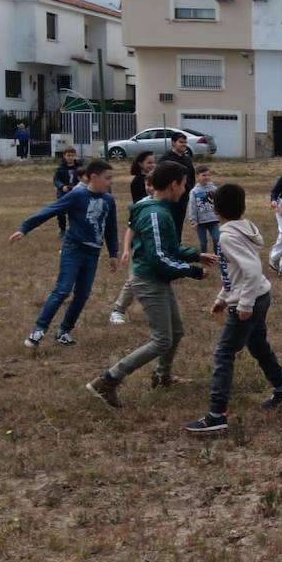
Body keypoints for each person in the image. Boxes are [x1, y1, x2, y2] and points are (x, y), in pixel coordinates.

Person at [85, 162, 217, 408]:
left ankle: (161, 377)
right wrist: (192, 271)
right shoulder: (155, 214)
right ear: (173, 184)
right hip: (148, 281)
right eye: (184, 184)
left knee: (175, 332)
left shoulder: (158, 209)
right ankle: (107, 380)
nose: (185, 189)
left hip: (156, 279)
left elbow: (169, 247)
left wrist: (195, 255)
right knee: (162, 340)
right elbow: (159, 258)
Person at [185, 184, 282, 433]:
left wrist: (243, 304)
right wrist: (222, 298)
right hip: (260, 295)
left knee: (224, 353)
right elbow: (233, 274)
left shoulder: (226, 236)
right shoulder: (241, 229)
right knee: (257, 345)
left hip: (251, 300)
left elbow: (251, 270)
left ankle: (216, 415)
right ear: (243, 207)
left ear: (215, 210)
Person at [10, 158, 119, 348]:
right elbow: (50, 210)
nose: (110, 182)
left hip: (92, 253)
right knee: (62, 290)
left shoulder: (109, 200)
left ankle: (64, 331)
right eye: (107, 178)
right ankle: (38, 331)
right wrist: (25, 228)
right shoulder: (77, 196)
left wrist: (113, 253)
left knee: (82, 294)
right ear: (93, 177)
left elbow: (110, 228)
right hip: (74, 249)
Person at [109, 151, 156, 325]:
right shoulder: (140, 206)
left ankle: (157, 312)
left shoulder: (167, 205)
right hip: (140, 248)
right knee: (134, 279)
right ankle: (118, 310)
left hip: (156, 248)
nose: (150, 188)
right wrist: (127, 249)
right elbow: (131, 228)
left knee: (157, 279)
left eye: (154, 185)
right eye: (147, 185)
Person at [161, 133, 197, 236]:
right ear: (173, 143)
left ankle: (177, 244)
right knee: (168, 224)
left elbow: (191, 176)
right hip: (169, 198)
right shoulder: (166, 158)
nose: (184, 144)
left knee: (178, 224)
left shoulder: (187, 159)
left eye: (185, 142)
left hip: (183, 197)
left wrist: (189, 190)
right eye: (181, 142)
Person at [187, 166, 221, 255]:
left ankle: (217, 256)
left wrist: (221, 214)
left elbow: (219, 202)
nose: (207, 177)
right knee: (203, 242)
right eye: (204, 175)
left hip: (213, 219)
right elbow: (192, 207)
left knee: (216, 238)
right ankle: (204, 257)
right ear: (197, 177)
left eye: (208, 175)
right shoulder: (194, 191)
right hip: (200, 221)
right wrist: (193, 220)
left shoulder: (214, 189)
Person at [52, 146, 82, 238]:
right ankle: (62, 230)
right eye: (68, 155)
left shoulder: (79, 167)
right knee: (60, 212)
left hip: (76, 192)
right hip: (63, 193)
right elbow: (56, 180)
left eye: (72, 155)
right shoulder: (60, 168)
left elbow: (84, 178)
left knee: (76, 212)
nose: (70, 157)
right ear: (64, 156)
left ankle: (75, 230)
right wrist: (62, 186)